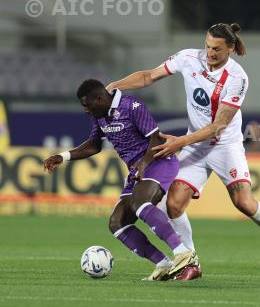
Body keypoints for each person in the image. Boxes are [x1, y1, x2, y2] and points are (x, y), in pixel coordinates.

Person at [106, 23, 260, 281]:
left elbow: (218, 127)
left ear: (230, 49)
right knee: (174, 204)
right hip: (195, 145)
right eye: (208, 46)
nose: (210, 53)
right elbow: (148, 76)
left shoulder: (237, 78)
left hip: (225, 146)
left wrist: (180, 142)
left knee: (243, 202)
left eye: (217, 49)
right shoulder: (188, 58)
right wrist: (114, 86)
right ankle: (190, 262)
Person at [43, 79, 197, 281]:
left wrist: (143, 163)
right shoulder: (99, 116)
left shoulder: (131, 106)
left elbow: (155, 138)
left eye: (87, 105)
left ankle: (183, 253)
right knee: (117, 222)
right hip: (136, 171)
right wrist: (62, 156)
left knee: (141, 204)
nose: (86, 110)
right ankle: (164, 264)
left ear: (99, 98)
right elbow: (93, 145)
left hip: (159, 162)